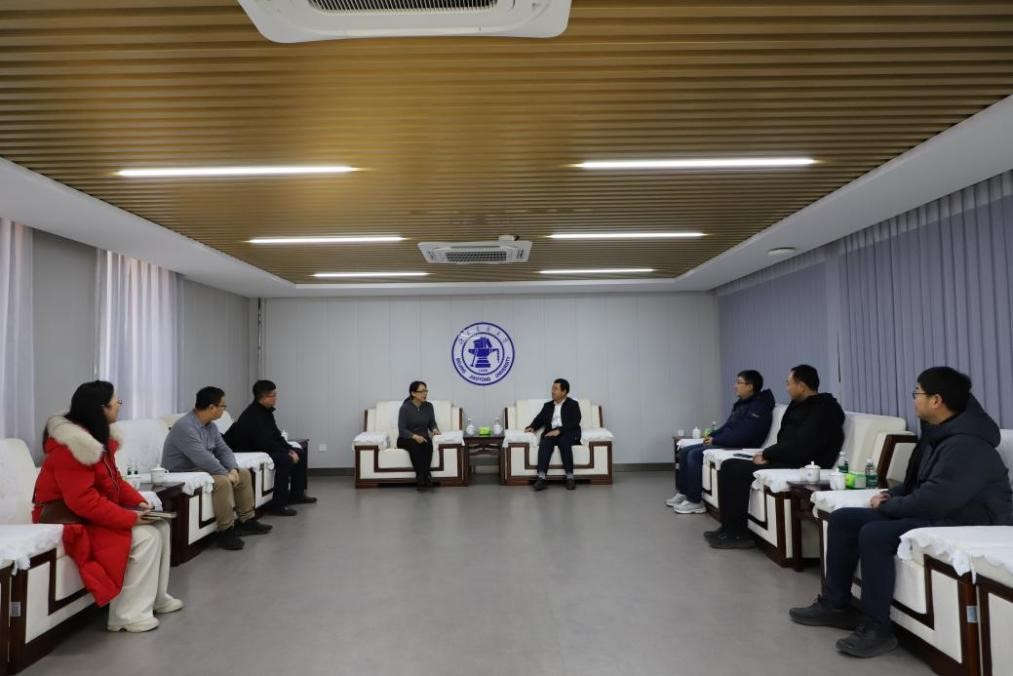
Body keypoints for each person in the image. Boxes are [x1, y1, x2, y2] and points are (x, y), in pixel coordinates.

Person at [789, 367, 1012, 658]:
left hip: (968, 521)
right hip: (944, 511)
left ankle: (877, 627)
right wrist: (891, 496)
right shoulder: (940, 434)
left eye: (917, 393)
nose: (914, 399)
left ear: (936, 400)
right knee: (844, 519)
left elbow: (935, 500)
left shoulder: (967, 444)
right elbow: (918, 485)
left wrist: (888, 506)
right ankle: (836, 605)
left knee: (875, 533)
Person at [32, 380, 182, 632]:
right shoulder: (73, 446)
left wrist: (139, 502)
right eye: (116, 402)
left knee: (161, 526)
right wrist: (129, 518)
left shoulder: (97, 438)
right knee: (146, 537)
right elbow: (82, 501)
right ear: (101, 408)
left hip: (87, 513)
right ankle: (127, 614)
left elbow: (114, 481)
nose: (120, 406)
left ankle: (155, 598)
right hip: (67, 518)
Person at [708, 364, 845, 549]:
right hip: (789, 458)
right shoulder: (798, 405)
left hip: (807, 465)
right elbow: (786, 439)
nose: (787, 388)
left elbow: (802, 444)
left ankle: (738, 534)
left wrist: (767, 453)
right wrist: (770, 455)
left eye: (789, 383)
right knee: (729, 465)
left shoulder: (825, 410)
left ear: (801, 386)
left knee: (736, 469)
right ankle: (728, 528)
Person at [162, 386, 272, 551]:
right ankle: (225, 531)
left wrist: (232, 469)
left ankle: (247, 521)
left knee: (242, 473)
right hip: (183, 471)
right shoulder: (185, 427)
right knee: (222, 481)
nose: (224, 409)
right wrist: (225, 473)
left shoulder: (210, 426)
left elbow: (223, 449)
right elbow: (201, 457)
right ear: (212, 407)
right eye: (223, 406)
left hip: (200, 468)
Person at [668, 370, 775, 514]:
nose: (735, 386)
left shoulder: (759, 407)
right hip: (730, 441)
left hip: (743, 446)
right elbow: (728, 427)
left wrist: (716, 439)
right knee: (686, 450)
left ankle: (695, 502)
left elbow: (745, 435)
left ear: (750, 386)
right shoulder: (742, 404)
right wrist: (711, 435)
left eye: (739, 382)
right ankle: (684, 492)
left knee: (694, 455)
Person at [224, 379, 316, 516]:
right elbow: (263, 442)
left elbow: (276, 434)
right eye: (272, 395)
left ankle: (297, 494)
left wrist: (289, 448)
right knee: (285, 459)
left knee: (299, 452)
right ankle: (278, 504)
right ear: (262, 397)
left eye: (275, 394)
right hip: (251, 448)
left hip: (263, 446)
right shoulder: (252, 415)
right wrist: (287, 453)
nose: (275, 398)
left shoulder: (266, 411)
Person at [526, 378, 581, 492]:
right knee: (545, 443)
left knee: (564, 442)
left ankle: (570, 477)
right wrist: (532, 427)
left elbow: (575, 422)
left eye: (555, 389)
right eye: (552, 388)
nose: (552, 391)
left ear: (564, 391)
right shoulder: (548, 405)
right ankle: (541, 478)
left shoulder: (573, 404)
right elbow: (539, 418)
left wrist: (559, 430)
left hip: (567, 432)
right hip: (551, 432)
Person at [397, 380, 441, 491]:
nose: (425, 393)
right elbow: (402, 430)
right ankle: (422, 476)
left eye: (426, 391)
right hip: (406, 438)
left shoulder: (429, 406)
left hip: (423, 437)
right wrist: (415, 437)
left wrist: (434, 429)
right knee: (414, 445)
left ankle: (424, 476)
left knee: (428, 444)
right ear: (413, 393)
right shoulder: (405, 408)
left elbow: (432, 423)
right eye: (421, 391)